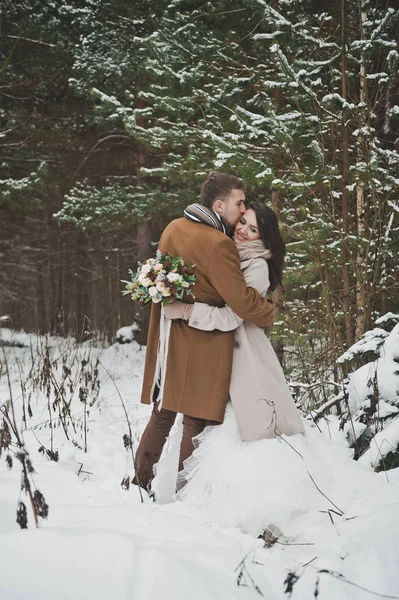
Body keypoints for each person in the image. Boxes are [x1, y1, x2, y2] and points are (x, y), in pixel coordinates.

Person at [133, 173, 276, 495]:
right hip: (207, 340)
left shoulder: (173, 228)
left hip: (172, 335)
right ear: (218, 204)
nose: (242, 212)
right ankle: (184, 494)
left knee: (164, 411)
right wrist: (267, 310)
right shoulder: (218, 243)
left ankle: (140, 483)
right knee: (196, 420)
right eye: (239, 203)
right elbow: (240, 301)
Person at [164, 203, 304, 443]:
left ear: (264, 237)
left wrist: (186, 310)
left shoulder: (257, 265)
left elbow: (231, 317)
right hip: (217, 349)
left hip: (242, 354)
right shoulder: (226, 252)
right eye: (242, 222)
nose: (242, 231)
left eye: (253, 230)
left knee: (241, 432)